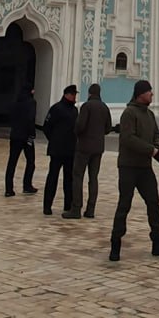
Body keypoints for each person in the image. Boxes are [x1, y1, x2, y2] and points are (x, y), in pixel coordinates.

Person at [109, 79, 159, 262]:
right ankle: (116, 243)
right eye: (149, 92)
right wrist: (152, 150)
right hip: (128, 167)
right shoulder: (129, 114)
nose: (152, 95)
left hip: (145, 167)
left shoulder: (150, 115)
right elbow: (128, 139)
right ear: (140, 94)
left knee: (154, 203)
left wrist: (157, 148)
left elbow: (156, 134)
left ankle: (158, 242)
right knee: (124, 204)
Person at [69, 83, 112, 218]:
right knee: (93, 178)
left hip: (84, 147)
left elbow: (80, 125)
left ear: (89, 93)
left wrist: (77, 133)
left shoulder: (86, 106)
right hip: (98, 148)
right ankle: (90, 209)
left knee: (78, 176)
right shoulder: (104, 107)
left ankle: (76, 209)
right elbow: (108, 128)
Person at [43, 85, 78, 216]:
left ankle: (68, 205)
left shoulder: (75, 111)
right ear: (67, 95)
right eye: (73, 94)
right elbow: (47, 127)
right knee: (53, 177)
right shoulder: (56, 108)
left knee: (69, 179)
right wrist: (54, 140)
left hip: (70, 151)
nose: (75, 97)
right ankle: (47, 206)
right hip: (57, 150)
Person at [5, 87, 39, 198]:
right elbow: (31, 119)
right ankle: (27, 185)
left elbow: (11, 117)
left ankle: (9, 189)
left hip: (15, 135)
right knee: (30, 162)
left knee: (12, 162)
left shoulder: (16, 102)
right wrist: (32, 134)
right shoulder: (31, 103)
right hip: (26, 136)